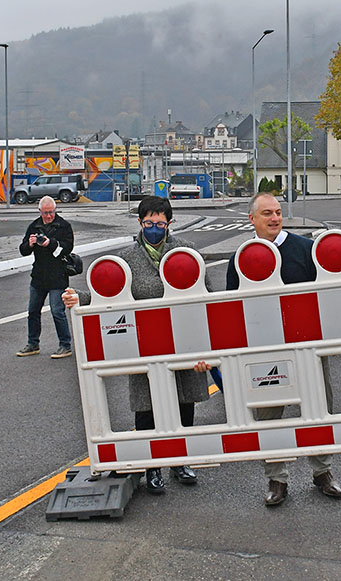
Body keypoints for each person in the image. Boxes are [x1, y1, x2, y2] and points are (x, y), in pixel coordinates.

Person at [63, 196, 210, 494]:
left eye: (160, 223)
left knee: (184, 404)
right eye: (148, 223)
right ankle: (151, 467)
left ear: (170, 223)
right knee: (147, 409)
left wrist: (208, 344)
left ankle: (180, 462)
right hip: (146, 345)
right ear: (140, 223)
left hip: (184, 339)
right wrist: (80, 297)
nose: (154, 228)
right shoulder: (127, 259)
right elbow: (108, 293)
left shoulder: (187, 251)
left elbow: (206, 292)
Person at [226, 191, 341, 507]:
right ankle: (277, 479)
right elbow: (231, 306)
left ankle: (322, 472)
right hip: (264, 351)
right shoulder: (241, 258)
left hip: (307, 346)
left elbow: (324, 293)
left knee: (319, 409)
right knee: (269, 415)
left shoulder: (305, 249)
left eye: (278, 212)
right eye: (267, 213)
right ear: (252, 219)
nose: (275, 218)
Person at [17, 195, 74, 359]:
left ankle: (65, 345)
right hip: (39, 277)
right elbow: (23, 250)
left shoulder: (64, 226)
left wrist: (51, 243)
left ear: (55, 210)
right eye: (45, 213)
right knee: (33, 311)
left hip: (58, 276)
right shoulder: (34, 226)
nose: (48, 216)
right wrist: (30, 243)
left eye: (51, 212)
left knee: (57, 312)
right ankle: (32, 344)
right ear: (39, 211)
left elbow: (68, 248)